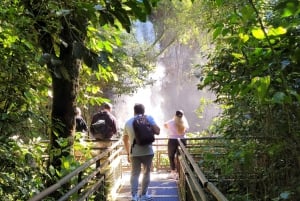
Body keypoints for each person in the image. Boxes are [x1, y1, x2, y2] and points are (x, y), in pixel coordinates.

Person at [123, 103, 160, 201]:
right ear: (144, 111)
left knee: (135, 173)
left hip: (134, 152)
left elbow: (125, 140)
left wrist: (128, 153)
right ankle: (143, 195)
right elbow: (158, 131)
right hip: (148, 151)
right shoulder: (149, 118)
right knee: (146, 173)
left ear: (134, 111)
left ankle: (134, 196)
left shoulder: (128, 122)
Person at [164, 110, 189, 180]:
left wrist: (173, 120)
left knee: (171, 156)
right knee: (181, 157)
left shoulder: (171, 122)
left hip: (172, 140)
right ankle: (180, 173)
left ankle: (173, 173)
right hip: (182, 140)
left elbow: (165, 125)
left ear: (175, 115)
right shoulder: (184, 123)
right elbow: (187, 130)